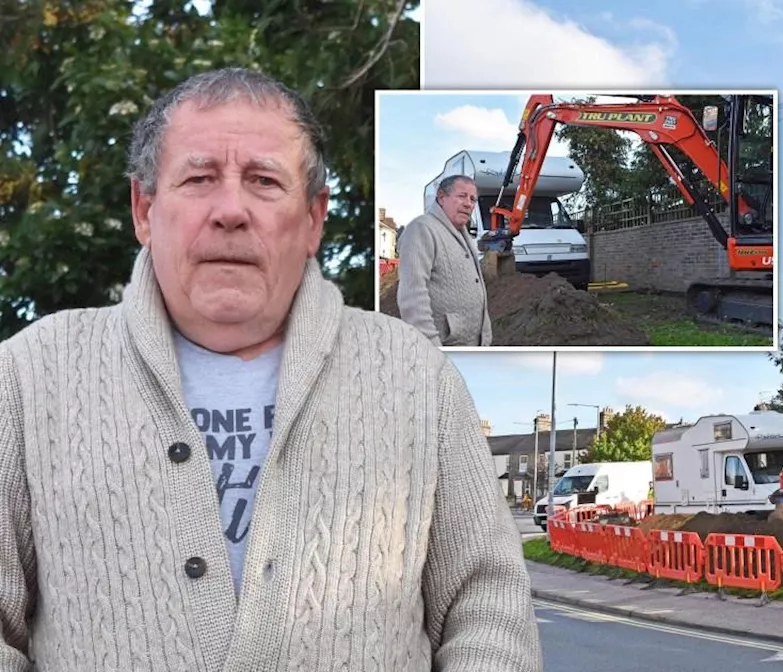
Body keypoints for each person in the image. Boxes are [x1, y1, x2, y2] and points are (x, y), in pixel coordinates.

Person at [0, 67, 540, 671]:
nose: (230, 210)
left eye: (263, 181)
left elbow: (488, 603)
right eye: (199, 178)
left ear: (313, 219)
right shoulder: (30, 376)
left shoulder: (415, 378)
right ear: (145, 209)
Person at [396, 175, 493, 347]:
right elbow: (412, 297)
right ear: (441, 197)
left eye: (473, 199)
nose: (468, 204)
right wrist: (431, 349)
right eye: (462, 196)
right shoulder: (422, 229)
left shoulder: (465, 235)